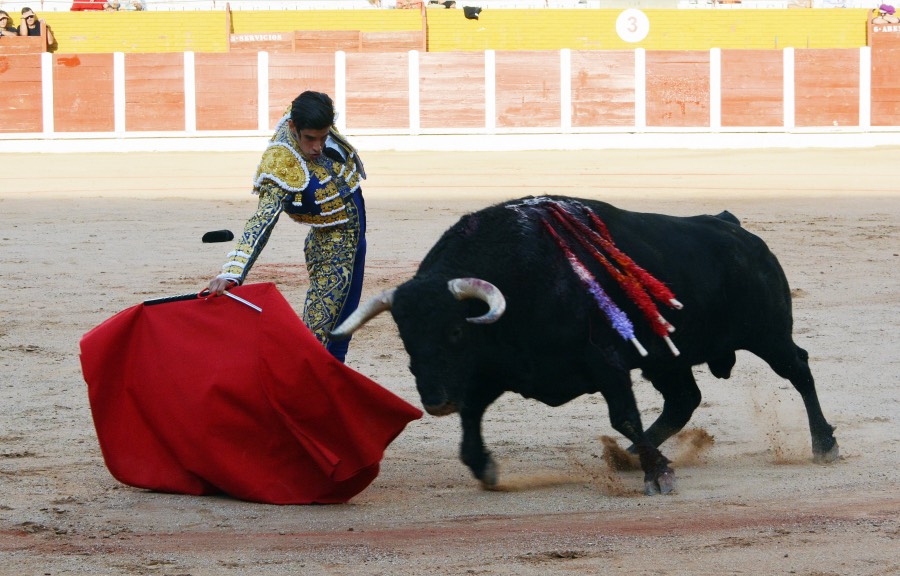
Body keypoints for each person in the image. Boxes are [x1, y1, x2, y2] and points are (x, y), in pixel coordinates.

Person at [207, 91, 367, 364]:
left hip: (357, 238)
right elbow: (262, 220)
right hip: (332, 243)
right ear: (293, 128)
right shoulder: (280, 163)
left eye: (324, 136)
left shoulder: (306, 115)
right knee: (321, 336)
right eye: (310, 138)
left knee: (344, 327)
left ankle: (330, 394)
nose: (318, 146)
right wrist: (233, 272)